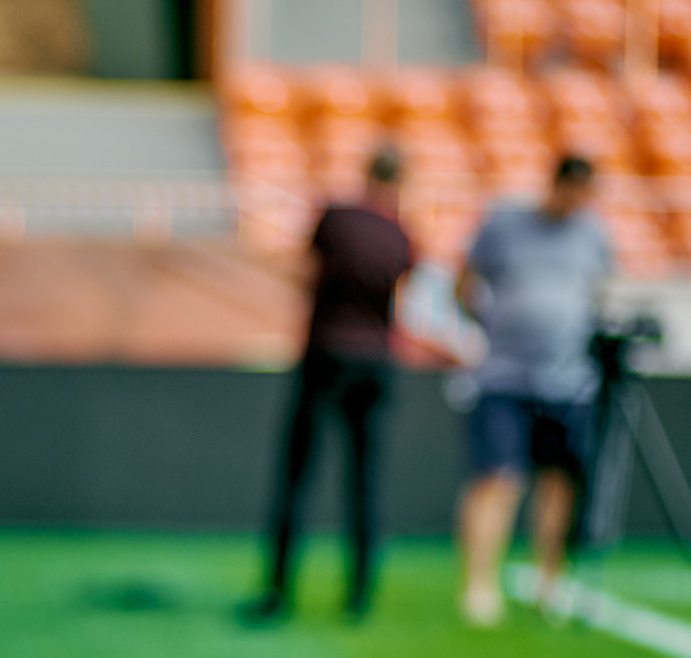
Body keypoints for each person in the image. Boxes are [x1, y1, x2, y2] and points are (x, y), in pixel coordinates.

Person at [248, 149, 415, 623]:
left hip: (326, 356)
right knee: (365, 481)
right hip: (377, 363)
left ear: (367, 173)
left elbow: (305, 273)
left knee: (298, 475)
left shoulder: (337, 218)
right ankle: (360, 597)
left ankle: (278, 592)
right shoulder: (402, 236)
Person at [454, 155, 613, 627]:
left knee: (559, 482)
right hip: (504, 376)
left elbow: (598, 291)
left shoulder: (594, 234)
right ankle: (479, 585)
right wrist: (491, 328)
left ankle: (550, 581)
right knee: (495, 478)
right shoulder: (504, 224)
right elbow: (464, 283)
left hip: (567, 381)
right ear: (555, 183)